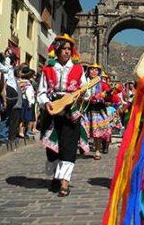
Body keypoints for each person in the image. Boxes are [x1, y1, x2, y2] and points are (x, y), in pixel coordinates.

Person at [37, 34, 90, 197]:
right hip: (52, 110)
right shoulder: (48, 69)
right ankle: (55, 175)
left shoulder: (78, 69)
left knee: (69, 146)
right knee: (52, 148)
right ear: (57, 50)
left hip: (71, 110)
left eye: (69, 49)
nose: (67, 52)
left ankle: (64, 182)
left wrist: (82, 95)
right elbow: (42, 91)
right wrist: (47, 103)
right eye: (64, 49)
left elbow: (85, 91)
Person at [84, 63, 112, 160]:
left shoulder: (103, 84)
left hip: (99, 110)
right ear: (88, 71)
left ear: (99, 72)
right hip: (86, 109)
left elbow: (110, 96)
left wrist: (105, 95)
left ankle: (97, 150)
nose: (93, 72)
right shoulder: (84, 83)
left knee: (97, 132)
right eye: (92, 69)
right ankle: (82, 146)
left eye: (96, 70)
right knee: (83, 129)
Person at [17, 65, 37, 138]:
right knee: (25, 118)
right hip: (26, 101)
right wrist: (30, 102)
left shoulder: (18, 81)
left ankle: (20, 131)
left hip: (20, 99)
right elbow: (29, 94)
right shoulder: (27, 83)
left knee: (21, 117)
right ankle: (21, 132)